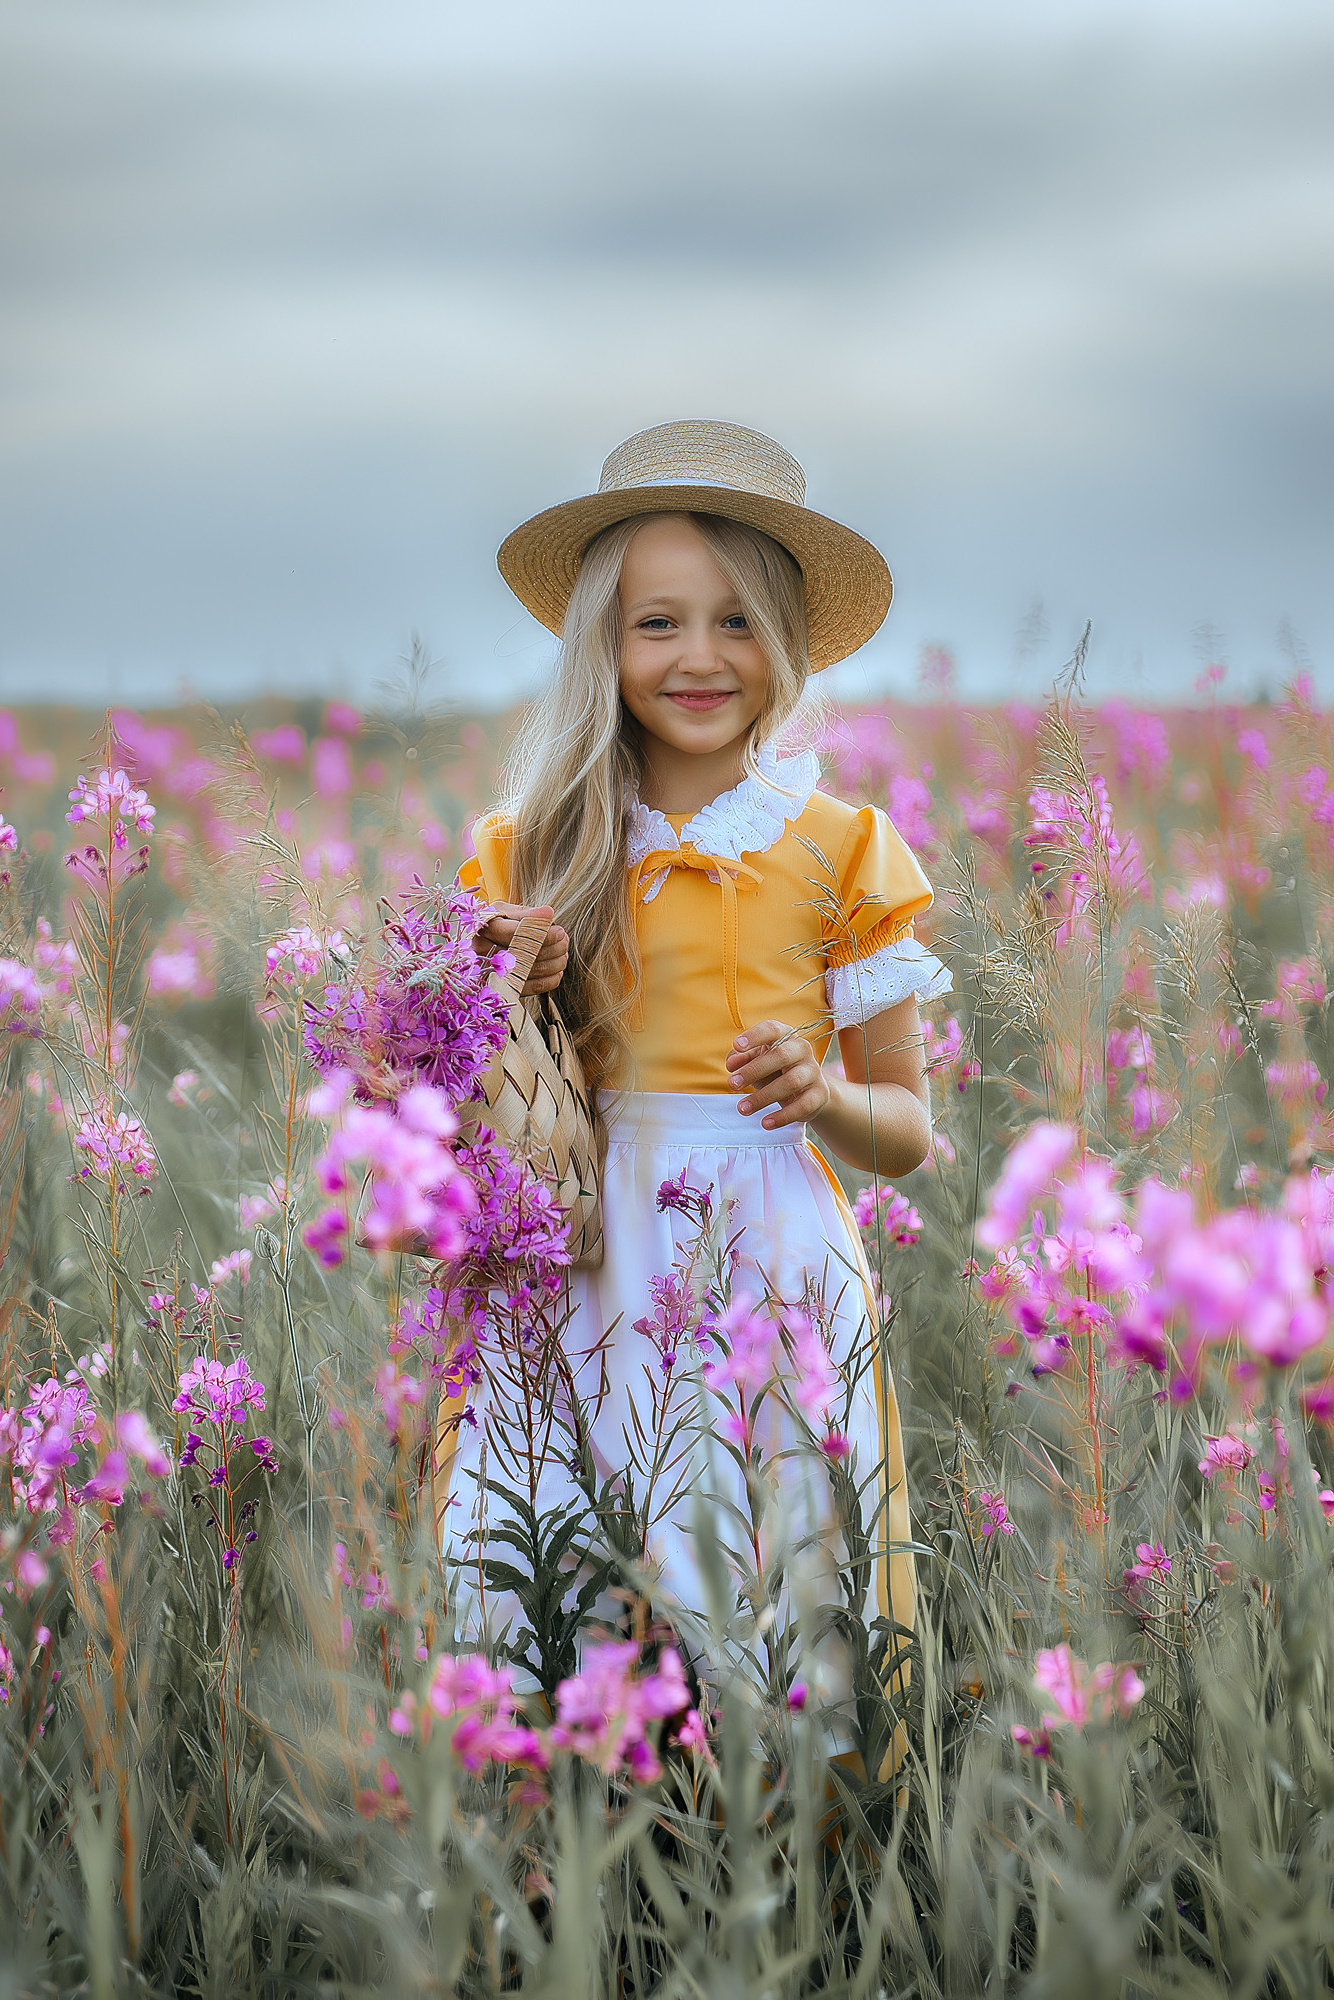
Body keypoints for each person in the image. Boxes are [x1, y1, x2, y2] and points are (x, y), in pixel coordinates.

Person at [451, 420, 950, 1734]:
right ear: (604, 648)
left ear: (785, 646)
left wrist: (825, 1097)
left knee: (759, 1578)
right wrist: (527, 985)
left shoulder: (840, 849)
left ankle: (771, 1863)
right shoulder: (528, 847)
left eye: (735, 623)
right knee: (553, 1577)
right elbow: (456, 1096)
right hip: (577, 1251)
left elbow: (905, 1132)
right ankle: (568, 1866)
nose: (698, 658)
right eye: (656, 623)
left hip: (762, 1255)